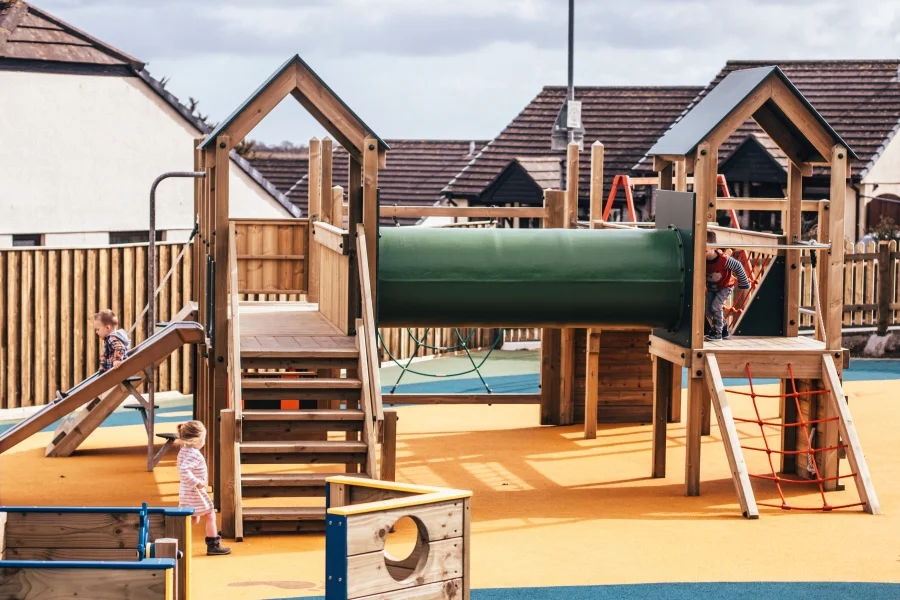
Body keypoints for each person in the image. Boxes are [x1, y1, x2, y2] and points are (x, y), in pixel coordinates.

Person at [176, 420, 231, 556]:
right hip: (195, 492)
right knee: (210, 513)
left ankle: (175, 537)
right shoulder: (194, 454)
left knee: (192, 518)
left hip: (187, 492)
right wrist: (196, 482)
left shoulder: (184, 450)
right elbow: (184, 469)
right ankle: (213, 544)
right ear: (197, 439)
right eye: (204, 438)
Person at [705, 231, 751, 342]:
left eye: (705, 245)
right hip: (712, 287)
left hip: (725, 286)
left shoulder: (723, 260)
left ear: (713, 247)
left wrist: (744, 283)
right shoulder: (701, 258)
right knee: (708, 311)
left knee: (715, 307)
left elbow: (738, 266)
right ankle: (724, 328)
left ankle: (717, 333)